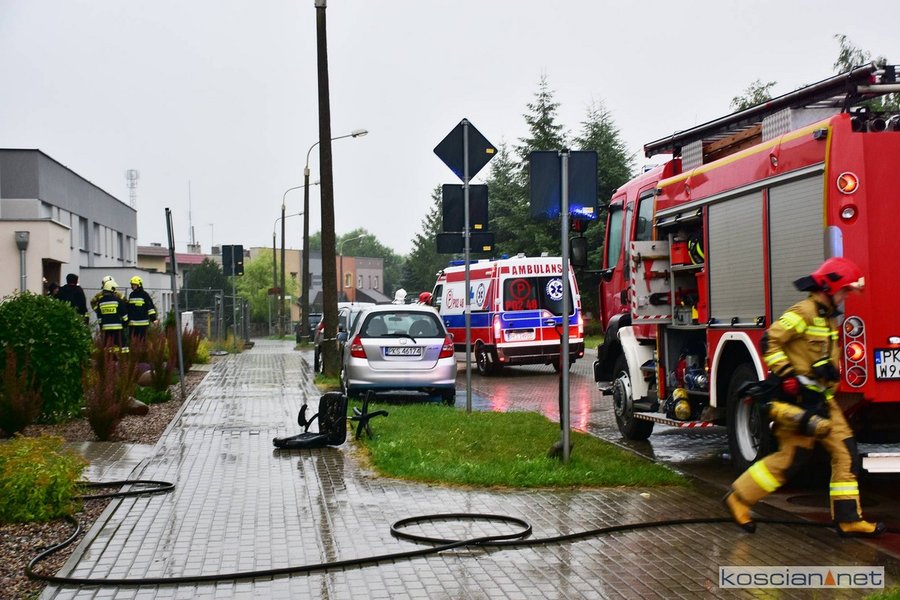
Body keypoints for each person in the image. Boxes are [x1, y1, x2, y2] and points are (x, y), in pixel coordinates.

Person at [724, 257, 885, 538]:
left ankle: (849, 519)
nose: (846, 297)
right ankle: (739, 498)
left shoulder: (826, 317)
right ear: (829, 288)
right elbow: (770, 340)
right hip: (799, 402)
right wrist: (787, 375)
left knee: (846, 453)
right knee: (790, 460)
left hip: (821, 401)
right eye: (844, 291)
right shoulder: (804, 312)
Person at [95, 278, 129, 351]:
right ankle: (122, 357)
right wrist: (125, 323)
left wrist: (101, 326)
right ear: (112, 289)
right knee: (122, 346)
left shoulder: (100, 302)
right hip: (117, 328)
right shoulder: (118, 300)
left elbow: (99, 317)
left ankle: (109, 357)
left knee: (107, 347)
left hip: (106, 329)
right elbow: (124, 314)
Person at [127, 275, 157, 342]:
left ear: (139, 285)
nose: (133, 286)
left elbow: (150, 307)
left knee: (142, 342)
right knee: (132, 342)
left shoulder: (144, 295)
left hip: (142, 324)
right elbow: (129, 308)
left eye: (134, 285)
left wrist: (153, 319)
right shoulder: (131, 295)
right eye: (132, 285)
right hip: (132, 324)